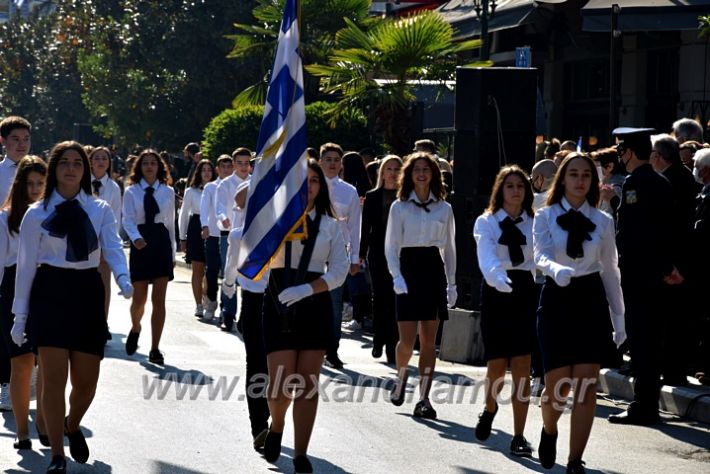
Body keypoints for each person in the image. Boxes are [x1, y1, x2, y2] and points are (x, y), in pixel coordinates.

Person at [11, 141, 133, 472]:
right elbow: (24, 269)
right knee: (53, 379)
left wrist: (122, 277)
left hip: (86, 291)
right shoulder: (36, 214)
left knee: (86, 383)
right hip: (49, 291)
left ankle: (72, 424)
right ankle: (56, 457)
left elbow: (112, 246)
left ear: (84, 169)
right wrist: (19, 317)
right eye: (63, 162)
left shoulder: (100, 209)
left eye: (77, 163)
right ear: (54, 169)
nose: (70, 168)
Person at [533, 152, 626, 474]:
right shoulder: (544, 216)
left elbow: (611, 271)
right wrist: (556, 269)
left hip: (590, 299)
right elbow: (540, 255)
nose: (579, 180)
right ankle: (549, 429)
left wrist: (619, 317)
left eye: (586, 175)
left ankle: (575, 460)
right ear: (563, 178)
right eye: (573, 174)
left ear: (593, 181)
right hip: (557, 298)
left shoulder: (603, 220)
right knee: (556, 389)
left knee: (586, 386)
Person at [261, 159, 348, 473]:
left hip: (314, 303)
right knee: (281, 382)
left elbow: (339, 270)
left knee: (308, 383)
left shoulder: (330, 224)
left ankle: (300, 453)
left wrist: (309, 290)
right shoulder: (275, 218)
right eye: (303, 180)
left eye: (314, 181)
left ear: (321, 187)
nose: (308, 186)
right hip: (278, 299)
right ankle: (277, 424)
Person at [608, 127, 682, 426]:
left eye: (621, 151)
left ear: (630, 151)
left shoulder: (636, 183)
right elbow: (668, 232)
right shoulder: (661, 181)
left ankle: (644, 404)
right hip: (657, 274)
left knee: (641, 341)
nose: (620, 158)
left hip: (640, 274)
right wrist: (668, 267)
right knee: (651, 341)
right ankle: (647, 402)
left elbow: (636, 233)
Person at [385, 152, 456, 419]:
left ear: (434, 174)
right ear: (410, 174)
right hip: (408, 268)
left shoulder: (444, 208)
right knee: (406, 341)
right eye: (417, 170)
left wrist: (452, 283)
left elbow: (449, 248)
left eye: (427, 169)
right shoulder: (399, 206)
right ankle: (401, 376)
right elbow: (391, 246)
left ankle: (424, 398)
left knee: (429, 342)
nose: (422, 174)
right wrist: (396, 276)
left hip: (432, 269)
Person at [472, 165, 536, 457]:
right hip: (497, 290)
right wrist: (498, 279)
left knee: (522, 366)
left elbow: (542, 257)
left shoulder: (536, 222)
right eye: (509, 186)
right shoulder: (487, 222)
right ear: (501, 190)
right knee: (497, 366)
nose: (515, 191)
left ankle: (519, 435)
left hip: (525, 291)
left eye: (520, 186)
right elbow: (485, 257)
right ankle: (489, 408)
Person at [0, 156, 47, 450]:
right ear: (19, 186)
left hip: (49, 287)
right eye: (29, 183)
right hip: (13, 286)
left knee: (45, 363)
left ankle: (43, 420)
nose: (34, 189)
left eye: (40, 184)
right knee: (21, 362)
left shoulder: (54, 214)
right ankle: (21, 430)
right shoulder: (5, 218)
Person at [221, 181, 271, 451]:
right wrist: (228, 287)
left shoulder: (286, 229)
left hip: (281, 303)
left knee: (278, 366)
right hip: (253, 302)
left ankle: (276, 416)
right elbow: (231, 265)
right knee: (256, 363)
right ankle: (259, 425)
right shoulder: (240, 233)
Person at [122, 150, 176, 365]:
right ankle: (136, 327)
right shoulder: (131, 191)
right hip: (141, 242)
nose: (150, 167)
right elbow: (127, 220)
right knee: (139, 299)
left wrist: (172, 252)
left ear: (159, 166)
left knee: (159, 300)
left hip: (161, 242)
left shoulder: (168, 191)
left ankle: (155, 348)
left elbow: (171, 223)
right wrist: (136, 238)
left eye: (153, 163)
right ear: (139, 167)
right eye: (145, 163)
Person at [319, 143, 361, 369]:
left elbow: (355, 226)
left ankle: (332, 349)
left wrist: (354, 258)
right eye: (328, 159)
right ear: (320, 162)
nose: (332, 163)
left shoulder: (349, 191)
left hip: (338, 253)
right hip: (312, 252)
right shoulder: (310, 187)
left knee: (334, 304)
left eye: (336, 159)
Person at [0, 116, 31, 411]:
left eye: (25, 140)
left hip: (36, 260)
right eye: (15, 140)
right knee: (6, 323)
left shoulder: (39, 173)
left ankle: (27, 377)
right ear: (4, 142)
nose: (21, 145)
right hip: (6, 258)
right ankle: (6, 384)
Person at [359, 155, 402, 364]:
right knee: (380, 298)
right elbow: (366, 228)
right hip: (377, 253)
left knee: (395, 299)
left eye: (396, 169)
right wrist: (360, 254)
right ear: (382, 172)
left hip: (400, 255)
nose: (392, 173)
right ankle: (379, 337)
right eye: (389, 169)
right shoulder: (373, 196)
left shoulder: (406, 197)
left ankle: (393, 345)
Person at [216, 148, 252, 331]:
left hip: (252, 235)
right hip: (230, 232)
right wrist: (223, 218)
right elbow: (220, 206)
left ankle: (246, 315)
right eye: (240, 163)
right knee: (230, 270)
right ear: (233, 164)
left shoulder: (257, 182)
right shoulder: (226, 184)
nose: (244, 167)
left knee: (249, 275)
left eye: (247, 163)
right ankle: (228, 314)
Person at [89, 146, 123, 340]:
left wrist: (108, 246)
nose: (101, 161)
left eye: (104, 158)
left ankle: (102, 323)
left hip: (104, 243)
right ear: (91, 161)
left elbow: (116, 218)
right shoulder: (82, 183)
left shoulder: (113, 187)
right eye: (97, 158)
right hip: (83, 243)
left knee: (103, 285)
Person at [179, 159, 215, 318]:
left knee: (211, 269)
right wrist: (182, 237)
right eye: (203, 170)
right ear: (198, 173)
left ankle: (208, 297)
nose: (206, 173)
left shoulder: (217, 188)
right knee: (197, 270)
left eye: (209, 169)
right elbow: (183, 214)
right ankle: (198, 304)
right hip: (195, 228)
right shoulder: (191, 191)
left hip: (213, 228)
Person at [200, 155, 233, 321]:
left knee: (229, 272)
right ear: (217, 169)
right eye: (223, 167)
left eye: (229, 166)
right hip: (213, 234)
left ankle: (226, 308)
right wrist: (204, 226)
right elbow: (204, 209)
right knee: (212, 270)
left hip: (230, 235)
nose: (226, 170)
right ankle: (210, 303)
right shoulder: (211, 188)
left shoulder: (238, 185)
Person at [592, 147, 626, 219]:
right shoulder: (604, 184)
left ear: (609, 167)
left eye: (596, 166)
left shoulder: (615, 187)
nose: (592, 170)